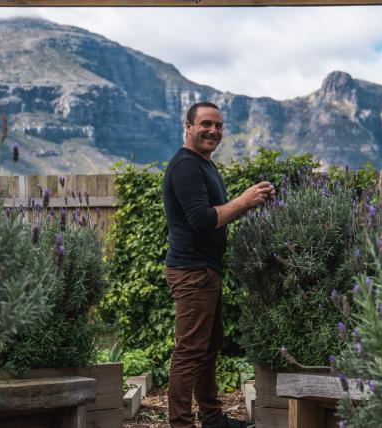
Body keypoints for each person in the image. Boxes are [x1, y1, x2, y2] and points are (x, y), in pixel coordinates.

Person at [162, 101, 275, 428]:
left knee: (208, 347)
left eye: (219, 126)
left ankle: (212, 419)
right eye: (205, 124)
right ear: (188, 126)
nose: (213, 130)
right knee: (190, 352)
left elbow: (214, 212)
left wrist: (247, 203)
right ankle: (181, 424)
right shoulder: (186, 166)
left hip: (206, 269)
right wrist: (244, 200)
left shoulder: (204, 164)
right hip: (192, 272)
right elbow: (200, 220)